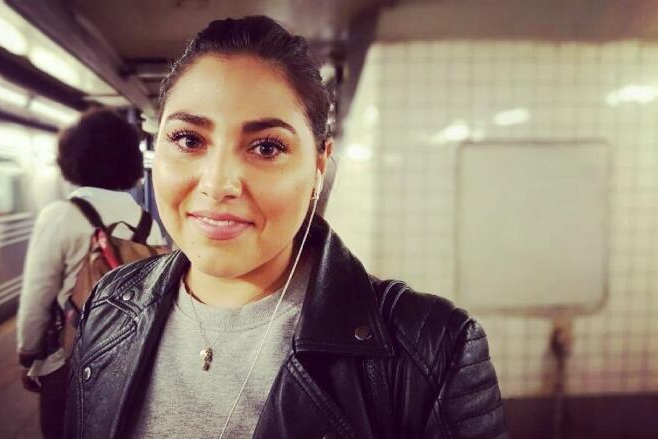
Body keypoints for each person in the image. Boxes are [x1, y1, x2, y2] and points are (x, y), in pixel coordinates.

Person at [63, 16, 507, 439]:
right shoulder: (112, 303)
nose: (218, 184)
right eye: (188, 139)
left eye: (266, 147)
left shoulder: (431, 350)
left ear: (318, 166)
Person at [17, 108, 162, 439]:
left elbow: (37, 295)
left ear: (73, 159)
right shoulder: (145, 220)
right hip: (127, 360)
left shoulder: (60, 215)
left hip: (66, 361)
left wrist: (29, 354)